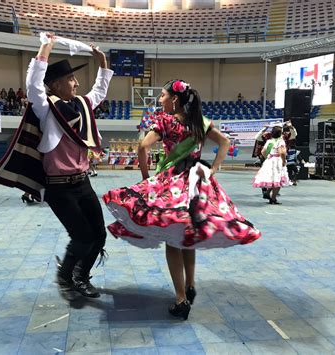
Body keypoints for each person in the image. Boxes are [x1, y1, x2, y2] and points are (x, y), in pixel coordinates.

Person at [103, 79, 262, 320]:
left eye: (163, 95)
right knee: (188, 234)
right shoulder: (200, 122)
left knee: (173, 239)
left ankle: (180, 300)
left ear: (174, 99)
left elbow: (142, 146)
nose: (160, 100)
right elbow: (225, 142)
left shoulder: (165, 122)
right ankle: (190, 285)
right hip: (197, 184)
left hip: (173, 183)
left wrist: (146, 180)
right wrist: (214, 169)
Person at [0, 32, 113, 300]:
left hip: (83, 183)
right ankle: (66, 276)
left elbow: (99, 92)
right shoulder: (46, 109)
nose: (77, 83)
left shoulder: (81, 106)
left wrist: (103, 63)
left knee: (99, 236)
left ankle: (80, 276)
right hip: (60, 189)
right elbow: (34, 85)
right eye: (71, 79)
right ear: (55, 85)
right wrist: (45, 48)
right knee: (82, 237)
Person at [252, 124, 291, 204]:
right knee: (278, 179)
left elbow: (263, 152)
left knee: (273, 178)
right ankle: (273, 198)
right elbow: (282, 152)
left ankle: (268, 192)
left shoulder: (269, 141)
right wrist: (283, 161)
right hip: (277, 161)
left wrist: (268, 157)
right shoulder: (280, 141)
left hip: (270, 160)